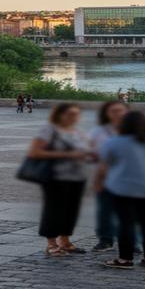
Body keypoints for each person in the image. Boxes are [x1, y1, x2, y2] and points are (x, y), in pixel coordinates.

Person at [97, 111, 145, 270]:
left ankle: (125, 259)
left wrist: (100, 183)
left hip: (124, 189)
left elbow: (104, 166)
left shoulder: (115, 142)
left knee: (126, 223)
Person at [26, 103, 91, 256]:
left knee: (70, 211)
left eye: (76, 114)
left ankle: (65, 240)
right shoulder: (49, 130)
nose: (73, 117)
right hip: (55, 177)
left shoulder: (75, 131)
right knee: (53, 211)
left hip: (76, 177)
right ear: (59, 114)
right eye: (70, 114)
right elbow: (35, 152)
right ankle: (51, 244)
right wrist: (67, 155)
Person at [87, 100, 128, 252]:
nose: (118, 114)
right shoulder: (98, 132)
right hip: (105, 176)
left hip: (129, 178)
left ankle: (133, 241)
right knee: (105, 209)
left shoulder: (136, 130)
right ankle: (105, 240)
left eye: (120, 110)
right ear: (106, 113)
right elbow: (89, 151)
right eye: (113, 111)